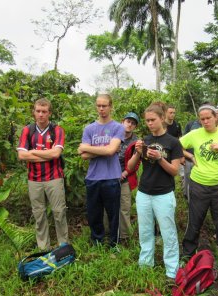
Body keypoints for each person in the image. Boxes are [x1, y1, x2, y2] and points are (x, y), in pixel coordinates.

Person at [127, 102, 183, 281]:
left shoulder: (173, 142)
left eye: (153, 120)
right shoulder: (145, 140)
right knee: (144, 231)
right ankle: (145, 264)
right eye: (147, 121)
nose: (150, 123)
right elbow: (129, 167)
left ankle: (172, 270)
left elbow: (175, 171)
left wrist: (160, 158)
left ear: (162, 119)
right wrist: (137, 153)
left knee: (168, 232)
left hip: (164, 194)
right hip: (144, 192)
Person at [180, 104, 218, 258]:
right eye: (202, 119)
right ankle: (188, 255)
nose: (205, 121)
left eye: (208, 118)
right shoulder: (195, 134)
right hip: (198, 184)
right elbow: (176, 145)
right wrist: (190, 156)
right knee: (195, 221)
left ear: (216, 117)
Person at [17, 98, 68, 250]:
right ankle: (43, 247)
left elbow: (56, 154)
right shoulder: (28, 130)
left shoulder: (57, 130)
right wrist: (46, 153)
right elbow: (21, 156)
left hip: (54, 177)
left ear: (49, 113)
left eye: (44, 111)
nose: (41, 114)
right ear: (34, 112)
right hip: (34, 179)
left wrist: (32, 151)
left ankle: (63, 245)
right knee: (39, 214)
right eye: (38, 111)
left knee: (59, 212)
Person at [78, 94, 125, 248]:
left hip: (112, 177)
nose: (101, 109)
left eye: (104, 105)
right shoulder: (89, 128)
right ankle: (97, 242)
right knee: (94, 213)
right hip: (93, 177)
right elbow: (84, 156)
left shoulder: (118, 127)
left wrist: (87, 147)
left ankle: (113, 244)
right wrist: (106, 149)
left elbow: (111, 151)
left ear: (111, 106)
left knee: (113, 214)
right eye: (99, 105)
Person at [118, 112, 140, 241]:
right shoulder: (113, 135)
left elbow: (136, 163)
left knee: (124, 208)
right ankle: (108, 233)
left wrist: (125, 173)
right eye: (128, 121)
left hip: (125, 178)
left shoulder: (135, 142)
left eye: (133, 123)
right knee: (107, 206)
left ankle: (125, 237)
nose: (130, 125)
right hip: (109, 176)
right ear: (122, 122)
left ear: (135, 127)